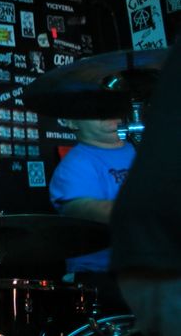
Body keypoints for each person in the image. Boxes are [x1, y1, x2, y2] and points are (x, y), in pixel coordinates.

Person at [111, 42, 181, 336]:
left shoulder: (131, 150)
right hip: (164, 246)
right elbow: (80, 208)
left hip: (148, 245)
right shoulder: (77, 163)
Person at [48, 117, 135, 311]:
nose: (106, 113)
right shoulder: (75, 164)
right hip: (102, 277)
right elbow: (84, 211)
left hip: (153, 266)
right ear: (72, 122)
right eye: (94, 110)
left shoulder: (143, 152)